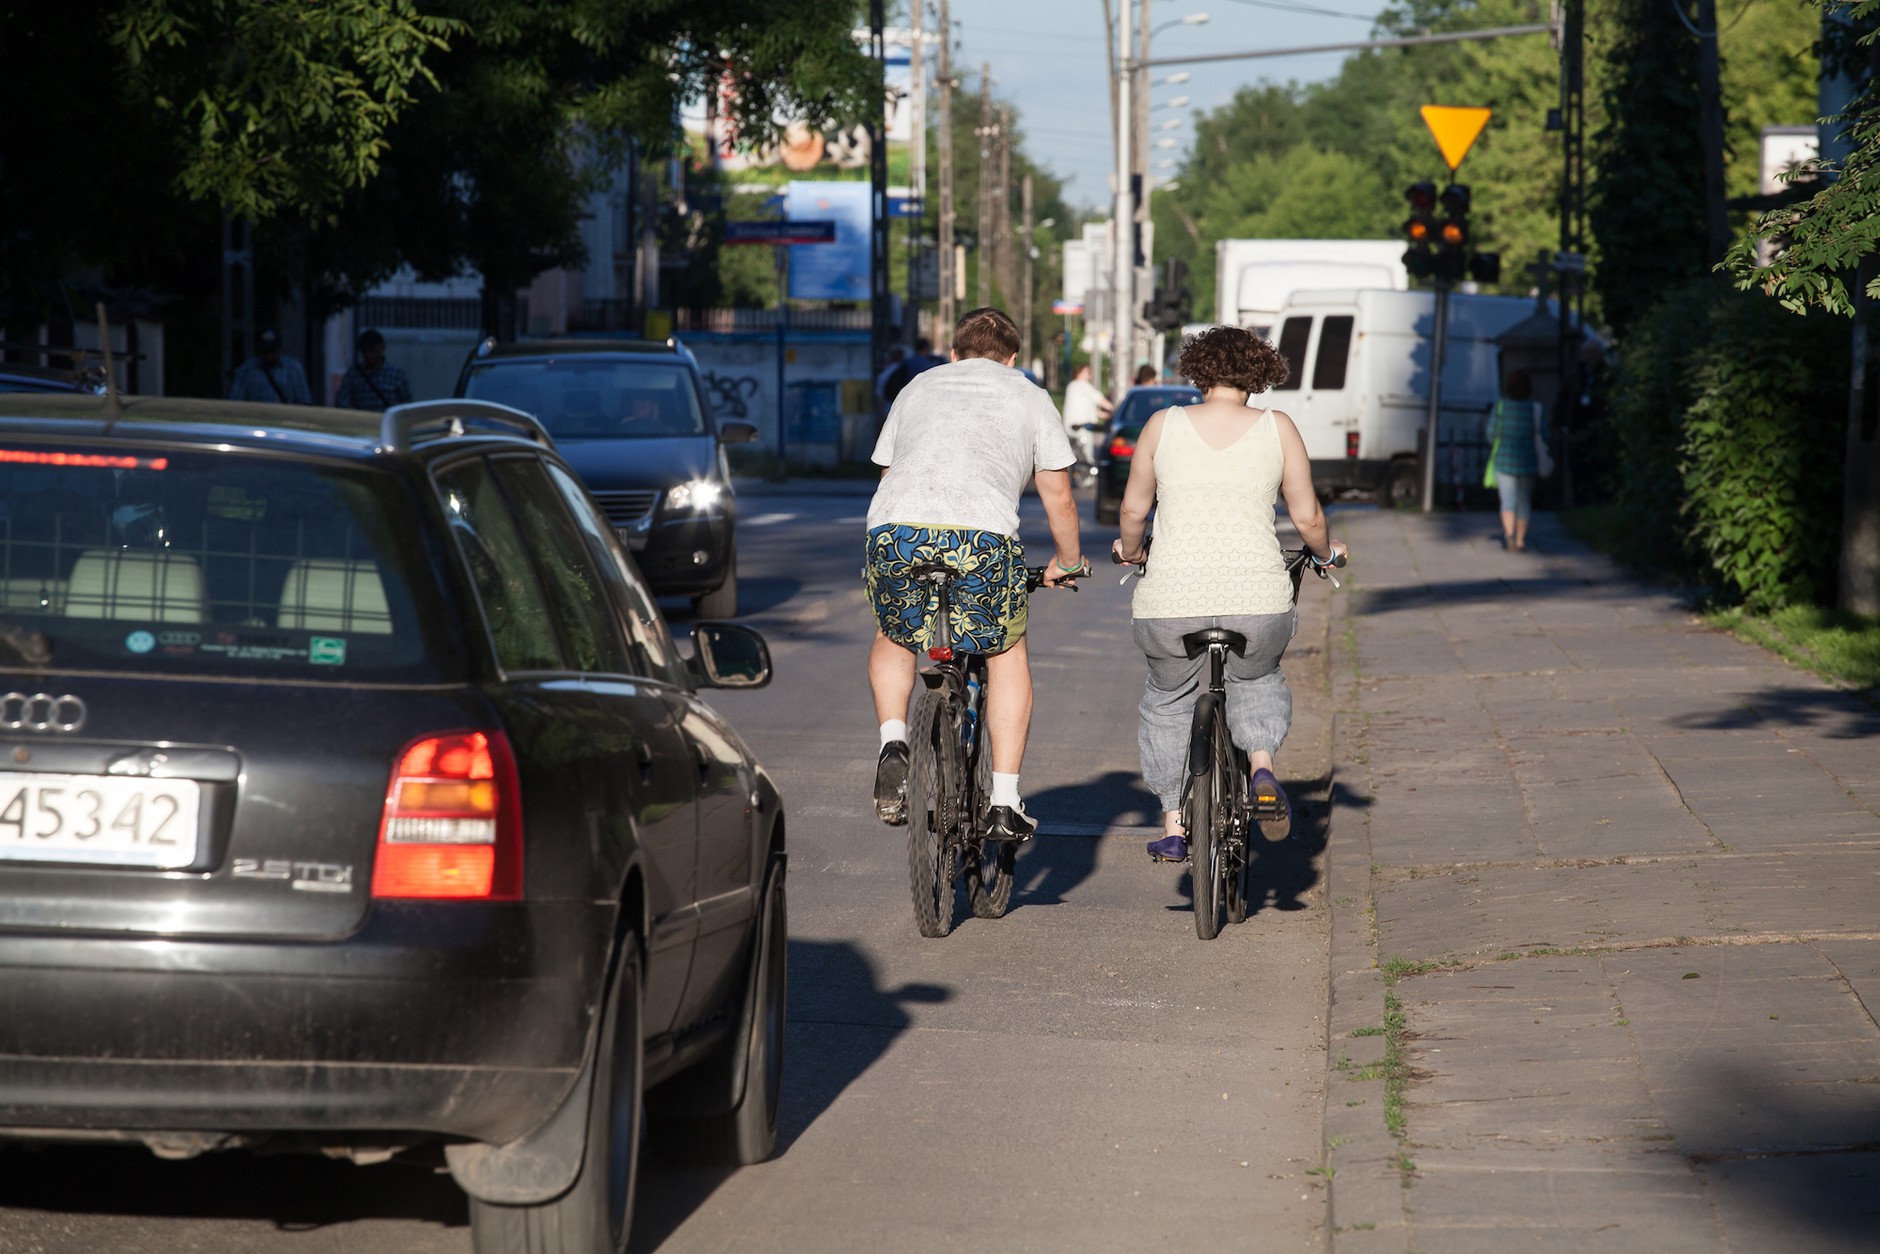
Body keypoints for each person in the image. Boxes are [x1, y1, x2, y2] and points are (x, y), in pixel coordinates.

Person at [1112, 325, 1346, 863]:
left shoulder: (1161, 424)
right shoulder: (1278, 427)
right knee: (1256, 676)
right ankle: (1261, 766)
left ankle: (1174, 823)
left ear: (1198, 372)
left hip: (1170, 602)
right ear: (1259, 374)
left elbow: (1132, 509)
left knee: (1167, 699)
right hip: (1256, 599)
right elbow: (1308, 516)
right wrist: (1326, 553)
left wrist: (1132, 551)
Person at [866, 307, 1089, 841]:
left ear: (953, 354)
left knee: (895, 632)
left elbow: (889, 473)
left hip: (895, 531)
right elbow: (1058, 495)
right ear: (1012, 359)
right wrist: (1068, 561)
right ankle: (1005, 802)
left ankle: (893, 742)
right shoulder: (1029, 394)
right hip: (981, 540)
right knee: (1005, 649)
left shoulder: (917, 387)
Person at [1487, 369, 1550, 552]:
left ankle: (1509, 535)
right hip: (1527, 462)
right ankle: (1521, 540)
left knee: (1507, 501)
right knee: (1523, 502)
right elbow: (1544, 434)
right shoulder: (1535, 409)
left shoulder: (1500, 407)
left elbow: (1491, 433)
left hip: (1503, 461)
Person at [332, 328, 413, 411]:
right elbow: (341, 401)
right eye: (365, 351)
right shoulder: (353, 375)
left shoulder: (397, 375)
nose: (368, 355)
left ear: (382, 347)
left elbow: (406, 405)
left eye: (372, 350)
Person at [228, 329, 312, 405]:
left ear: (279, 349)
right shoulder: (247, 370)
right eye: (265, 352)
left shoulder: (294, 368)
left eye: (272, 352)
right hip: (256, 415)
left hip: (284, 415)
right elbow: (235, 401)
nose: (269, 356)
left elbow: (304, 401)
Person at [1060, 362, 1113, 474]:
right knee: (1087, 455)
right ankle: (1088, 475)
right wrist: (1114, 409)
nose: (1090, 375)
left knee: (1075, 454)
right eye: (1088, 372)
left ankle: (1077, 474)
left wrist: (1103, 415)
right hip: (1082, 427)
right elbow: (1099, 400)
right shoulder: (1082, 385)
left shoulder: (1072, 386)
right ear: (1079, 373)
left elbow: (1087, 407)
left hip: (1070, 427)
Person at [881, 336, 945, 408]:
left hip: (904, 396)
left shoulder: (906, 362)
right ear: (925, 348)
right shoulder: (926, 365)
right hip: (919, 398)